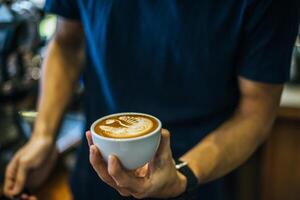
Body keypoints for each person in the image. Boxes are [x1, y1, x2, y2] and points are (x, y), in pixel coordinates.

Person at [4, 0, 299, 199]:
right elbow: (67, 43)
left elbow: (256, 110)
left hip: (200, 177)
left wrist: (182, 174)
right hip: (93, 175)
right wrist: (43, 136)